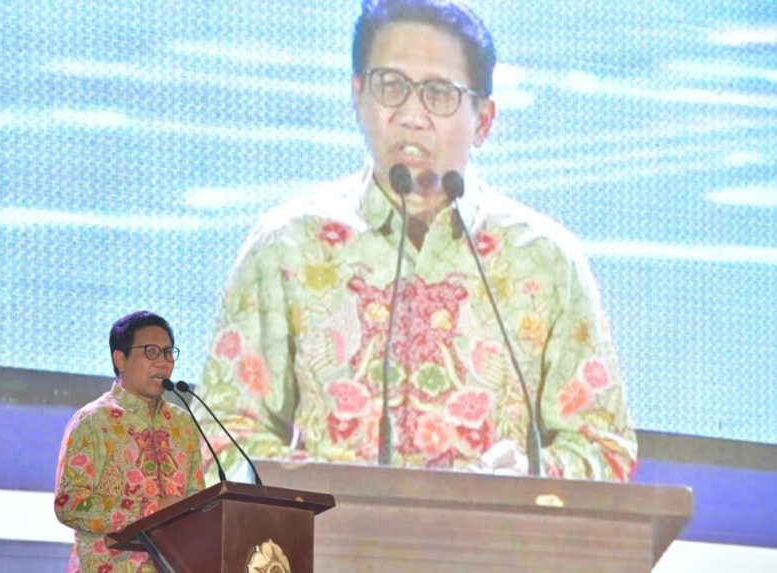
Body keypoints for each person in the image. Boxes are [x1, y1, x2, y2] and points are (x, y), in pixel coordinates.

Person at [196, 0, 637, 482]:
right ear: (357, 95)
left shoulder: (546, 261)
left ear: (484, 121)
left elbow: (604, 449)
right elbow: (219, 433)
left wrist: (526, 477)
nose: (411, 114)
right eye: (391, 86)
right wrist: (325, 489)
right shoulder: (288, 246)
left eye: (439, 94)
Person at [54, 311, 206, 573]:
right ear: (120, 358)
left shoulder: (183, 425)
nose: (163, 363)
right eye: (151, 352)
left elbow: (195, 502)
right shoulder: (92, 422)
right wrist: (150, 510)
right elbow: (70, 504)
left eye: (168, 352)